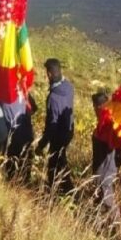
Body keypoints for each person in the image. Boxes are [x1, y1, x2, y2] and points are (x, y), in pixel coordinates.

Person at [35, 58, 74, 193]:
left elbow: (51, 126)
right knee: (61, 159)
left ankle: (58, 192)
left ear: (49, 74)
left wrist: (41, 144)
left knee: (54, 165)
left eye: (47, 73)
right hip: (68, 130)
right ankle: (64, 189)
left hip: (58, 135)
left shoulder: (53, 98)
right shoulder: (69, 87)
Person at [91, 91, 120, 226]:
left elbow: (108, 146)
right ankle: (96, 225)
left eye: (94, 107)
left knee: (108, 200)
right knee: (98, 197)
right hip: (104, 169)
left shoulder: (106, 125)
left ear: (98, 107)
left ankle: (117, 227)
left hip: (105, 171)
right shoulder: (107, 121)